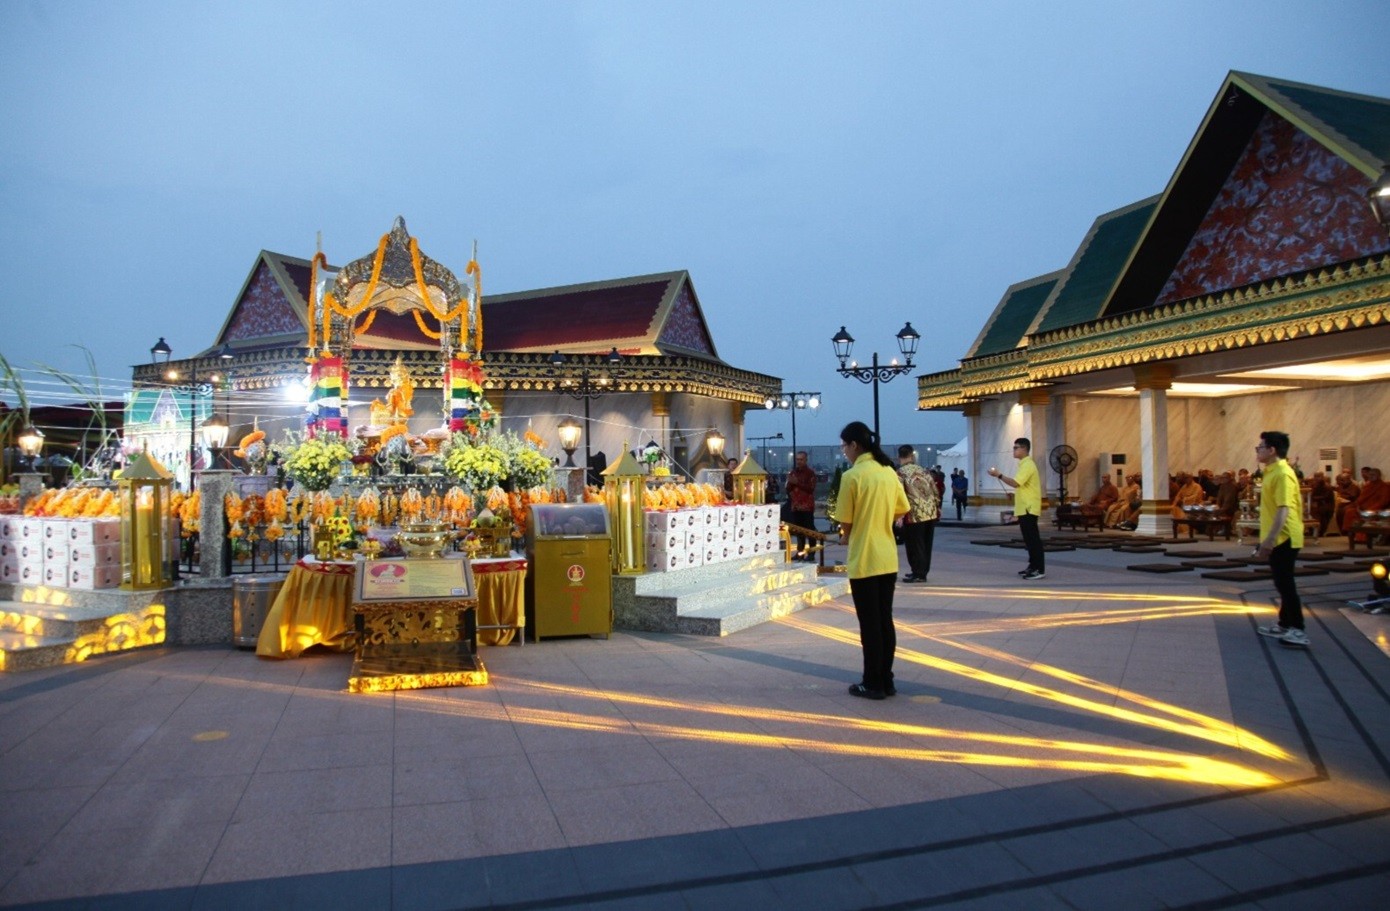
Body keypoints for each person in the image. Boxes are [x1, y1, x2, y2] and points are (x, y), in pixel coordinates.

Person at [835, 421, 910, 700]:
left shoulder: (852, 476)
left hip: (865, 558)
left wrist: (846, 535)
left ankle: (872, 682)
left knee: (869, 625)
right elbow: (902, 508)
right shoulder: (888, 472)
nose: (843, 451)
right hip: (887, 556)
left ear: (855, 445)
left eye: (844, 445)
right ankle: (886, 679)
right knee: (884, 620)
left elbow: (846, 520)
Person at [1255, 431, 1309, 648]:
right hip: (1278, 536)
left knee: (1286, 584)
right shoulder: (1271, 471)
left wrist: (1270, 539)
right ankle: (1285, 624)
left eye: (1260, 447)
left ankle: (1299, 629)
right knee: (1282, 582)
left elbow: (1283, 509)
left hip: (1285, 536)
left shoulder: (1283, 474)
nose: (1257, 450)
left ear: (1272, 450)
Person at [988, 438, 1044, 579]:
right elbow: (1023, 487)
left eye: (1016, 447)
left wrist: (999, 475)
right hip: (1024, 507)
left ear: (1024, 449)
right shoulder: (1023, 465)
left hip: (1028, 508)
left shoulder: (1028, 465)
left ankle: (1039, 569)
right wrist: (1014, 495)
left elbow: (1015, 483)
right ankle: (1032, 566)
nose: (1014, 450)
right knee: (1028, 539)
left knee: (1033, 539)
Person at [895, 445, 940, 583]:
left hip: (914, 513)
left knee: (915, 543)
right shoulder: (924, 471)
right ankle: (923, 571)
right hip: (930, 512)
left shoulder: (900, 473)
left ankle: (918, 572)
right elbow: (934, 490)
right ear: (912, 456)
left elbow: (899, 494)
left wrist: (899, 514)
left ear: (899, 456)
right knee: (927, 543)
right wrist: (936, 506)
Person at [785, 451, 818, 561]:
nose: (799, 462)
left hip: (807, 507)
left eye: (801, 459)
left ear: (806, 460)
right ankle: (800, 553)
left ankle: (812, 553)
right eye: (797, 459)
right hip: (795, 506)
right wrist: (789, 482)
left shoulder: (810, 473)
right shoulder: (793, 472)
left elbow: (811, 488)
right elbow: (788, 488)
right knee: (799, 531)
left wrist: (796, 482)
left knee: (809, 530)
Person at [1308, 472, 1336, 537]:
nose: (1316, 478)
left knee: (1319, 512)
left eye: (1318, 476)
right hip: (1318, 504)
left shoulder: (1327, 486)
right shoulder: (1315, 485)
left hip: (1326, 505)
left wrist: (1313, 498)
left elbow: (1325, 497)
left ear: (1322, 477)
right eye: (1315, 477)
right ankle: (1311, 530)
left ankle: (1320, 532)